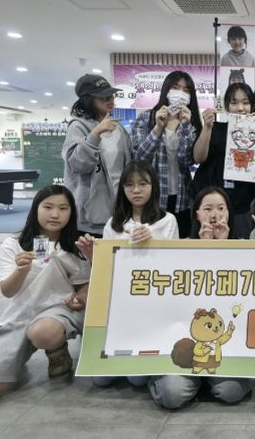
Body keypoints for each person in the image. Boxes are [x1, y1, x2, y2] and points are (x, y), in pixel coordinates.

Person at [147, 187, 254, 409]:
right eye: (207, 209)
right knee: (172, 396)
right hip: (185, 341)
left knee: (231, 391)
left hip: (226, 346)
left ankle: (206, 382)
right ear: (196, 214)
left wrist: (222, 248)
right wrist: (202, 248)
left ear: (229, 213)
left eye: (221, 209)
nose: (215, 215)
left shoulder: (243, 247)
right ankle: (174, 379)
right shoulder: (180, 247)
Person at [0, 186, 90, 402]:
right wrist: (21, 270)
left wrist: (80, 300)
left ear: (71, 212)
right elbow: (7, 291)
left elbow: (83, 286)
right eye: (48, 207)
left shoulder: (76, 245)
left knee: (43, 332)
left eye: (63, 208)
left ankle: (57, 350)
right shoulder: (14, 243)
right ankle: (13, 359)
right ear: (35, 209)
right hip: (20, 315)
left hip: (59, 312)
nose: (55, 214)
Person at [92, 161, 178, 388]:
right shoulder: (113, 224)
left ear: (153, 186)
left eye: (143, 184)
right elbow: (107, 267)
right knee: (99, 380)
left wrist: (152, 242)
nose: (136, 190)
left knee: (137, 379)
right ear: (122, 189)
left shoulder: (167, 220)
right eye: (129, 185)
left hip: (155, 303)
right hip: (122, 304)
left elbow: (174, 265)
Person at [131, 71, 201, 238]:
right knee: (153, 243)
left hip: (182, 198)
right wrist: (158, 128)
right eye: (176, 87)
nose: (181, 93)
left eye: (186, 90)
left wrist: (185, 127)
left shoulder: (191, 122)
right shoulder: (146, 118)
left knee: (180, 243)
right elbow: (140, 159)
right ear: (166, 90)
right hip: (153, 198)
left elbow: (186, 160)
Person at [62, 74, 132, 236]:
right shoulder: (78, 127)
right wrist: (96, 133)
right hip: (90, 218)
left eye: (111, 95)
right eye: (104, 97)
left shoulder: (119, 129)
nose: (110, 100)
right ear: (88, 100)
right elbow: (77, 164)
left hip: (119, 212)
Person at [192, 83, 255, 239]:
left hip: (241, 208)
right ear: (226, 106)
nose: (240, 108)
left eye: (245, 103)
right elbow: (198, 157)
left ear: (252, 106)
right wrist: (207, 127)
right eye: (234, 103)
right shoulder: (216, 128)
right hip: (211, 207)